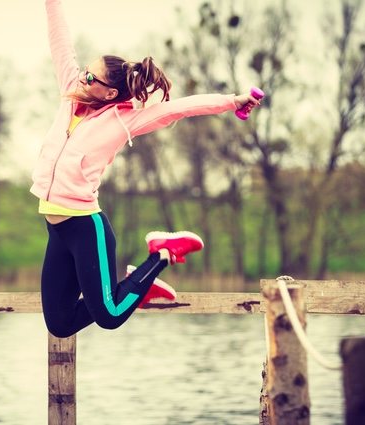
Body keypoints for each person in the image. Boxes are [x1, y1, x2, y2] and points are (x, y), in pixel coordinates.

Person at [31, 0, 261, 338]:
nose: (83, 76)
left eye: (91, 76)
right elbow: (60, 41)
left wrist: (232, 101)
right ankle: (138, 287)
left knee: (109, 315)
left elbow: (178, 109)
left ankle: (160, 254)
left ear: (109, 92)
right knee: (60, 323)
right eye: (85, 71)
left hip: (85, 228)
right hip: (57, 230)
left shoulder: (125, 121)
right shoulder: (70, 93)